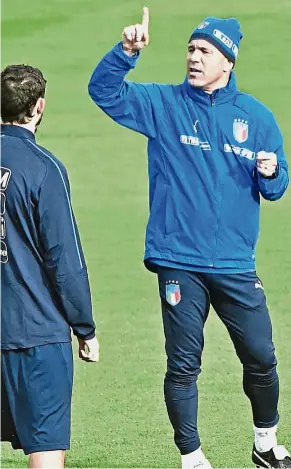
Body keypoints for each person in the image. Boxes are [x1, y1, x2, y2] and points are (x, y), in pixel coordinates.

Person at [88, 8, 290, 469]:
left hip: (236, 263)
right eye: (191, 48)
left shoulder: (256, 117)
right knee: (183, 365)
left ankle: (264, 443)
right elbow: (103, 91)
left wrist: (274, 172)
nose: (194, 57)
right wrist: (126, 53)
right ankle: (192, 457)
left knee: (262, 355)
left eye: (206, 51)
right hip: (179, 259)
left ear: (228, 62)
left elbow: (276, 187)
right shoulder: (163, 105)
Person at [1, 64, 99, 469]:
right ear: (39, 107)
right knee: (45, 446)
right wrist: (85, 327)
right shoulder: (45, 168)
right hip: (35, 334)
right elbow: (65, 261)